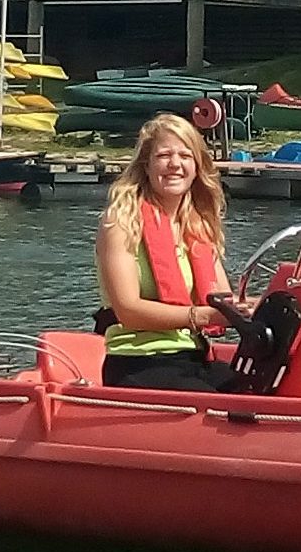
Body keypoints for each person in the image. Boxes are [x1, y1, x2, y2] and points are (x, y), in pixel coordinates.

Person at [96, 113, 245, 392]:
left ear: (197, 166)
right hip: (138, 361)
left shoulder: (200, 227)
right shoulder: (120, 222)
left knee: (261, 386)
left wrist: (253, 306)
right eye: (164, 155)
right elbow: (128, 310)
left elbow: (223, 301)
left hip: (193, 359)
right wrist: (201, 317)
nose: (175, 164)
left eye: (185, 156)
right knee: (220, 405)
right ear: (147, 165)